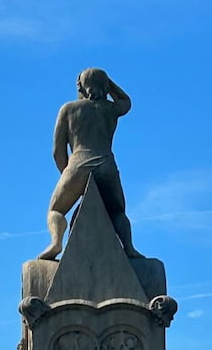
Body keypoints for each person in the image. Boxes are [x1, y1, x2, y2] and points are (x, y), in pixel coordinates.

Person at [38, 68, 138, 261]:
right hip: (107, 165)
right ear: (105, 85)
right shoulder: (110, 109)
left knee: (56, 210)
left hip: (77, 165)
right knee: (117, 211)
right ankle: (129, 248)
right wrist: (109, 86)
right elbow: (126, 102)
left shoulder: (68, 109)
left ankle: (55, 243)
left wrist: (67, 175)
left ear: (81, 86)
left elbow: (57, 151)